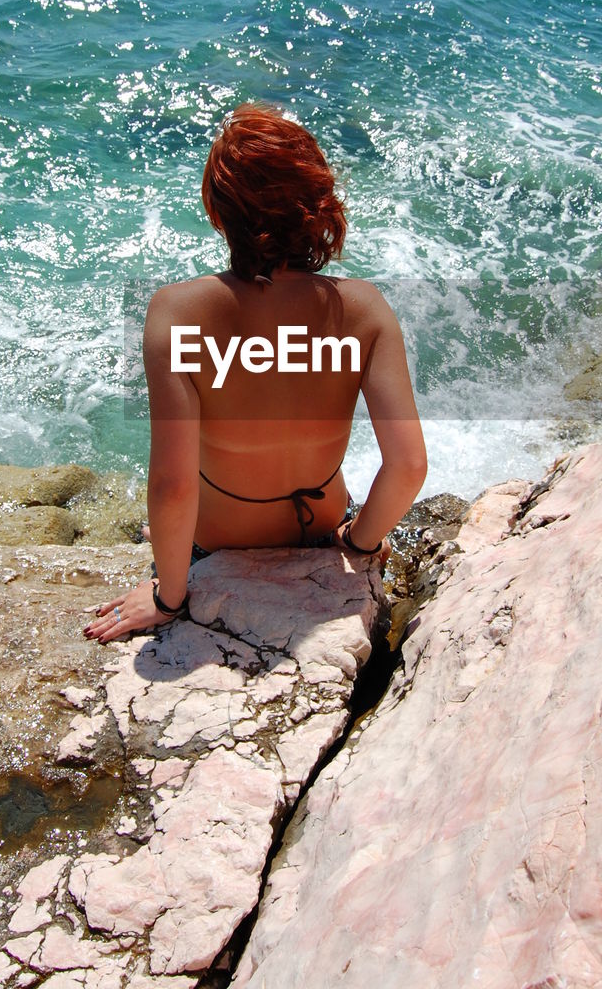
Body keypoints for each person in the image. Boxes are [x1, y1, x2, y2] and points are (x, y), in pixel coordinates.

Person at [85, 104, 427, 643]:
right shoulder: (364, 308)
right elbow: (407, 465)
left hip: (220, 545)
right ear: (316, 202)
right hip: (319, 536)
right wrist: (360, 543)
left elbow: (174, 486)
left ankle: (169, 542)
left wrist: (168, 597)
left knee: (168, 515)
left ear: (220, 214)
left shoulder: (177, 312)